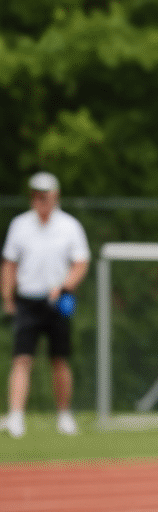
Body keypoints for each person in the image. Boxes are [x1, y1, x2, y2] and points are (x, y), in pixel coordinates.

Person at [3, 172, 90, 438]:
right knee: (22, 358)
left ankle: (64, 415)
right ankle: (16, 417)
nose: (42, 200)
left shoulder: (69, 226)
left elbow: (81, 262)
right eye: (37, 195)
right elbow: (9, 264)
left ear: (56, 196)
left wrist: (65, 287)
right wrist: (8, 298)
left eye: (47, 195)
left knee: (59, 359)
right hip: (28, 299)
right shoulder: (20, 225)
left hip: (57, 299)